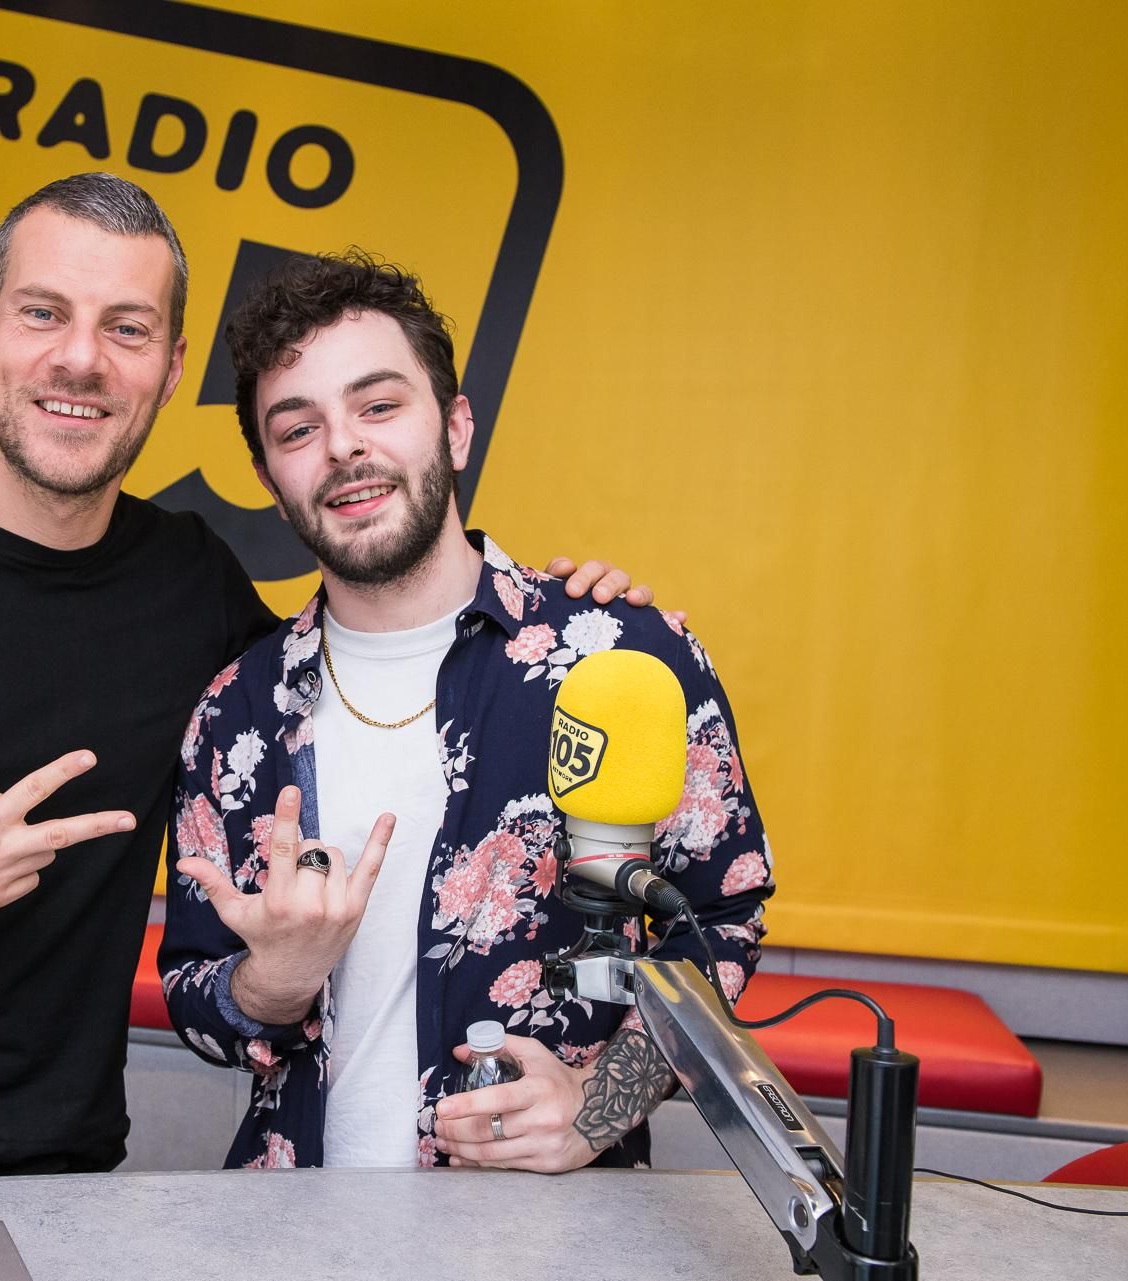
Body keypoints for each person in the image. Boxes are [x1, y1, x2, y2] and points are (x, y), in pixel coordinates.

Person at [0, 174, 656, 1190]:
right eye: (44, 313)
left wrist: (571, 615)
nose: (81, 358)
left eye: (126, 328)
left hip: (62, 1161)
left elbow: (380, 639)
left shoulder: (194, 588)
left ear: (168, 373)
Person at [160, 250, 773, 1172]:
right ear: (268, 477)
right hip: (290, 1220)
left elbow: (723, 914)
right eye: (299, 428)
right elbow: (193, 991)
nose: (342, 447)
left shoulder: (619, 657)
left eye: (378, 406)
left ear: (454, 427)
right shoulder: (235, 713)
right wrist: (270, 984)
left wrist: (601, 1102)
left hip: (546, 1227)